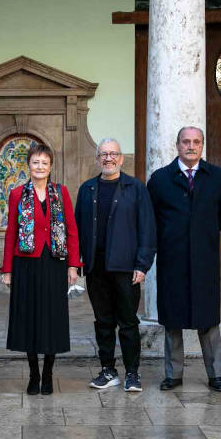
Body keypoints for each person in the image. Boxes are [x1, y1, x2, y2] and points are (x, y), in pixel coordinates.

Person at [147, 126, 221, 392]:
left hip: (205, 260)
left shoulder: (217, 177)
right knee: (173, 320)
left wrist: (200, 236)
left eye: (196, 142)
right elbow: (153, 220)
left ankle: (215, 374)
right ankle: (173, 375)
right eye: (186, 141)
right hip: (172, 259)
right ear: (177, 145)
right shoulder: (160, 179)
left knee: (208, 318)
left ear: (202, 145)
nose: (191, 146)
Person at [75, 138, 156, 392]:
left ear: (121, 159)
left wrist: (142, 265)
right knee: (103, 321)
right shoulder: (87, 189)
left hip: (125, 268)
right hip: (96, 268)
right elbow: (76, 229)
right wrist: (77, 264)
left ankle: (132, 373)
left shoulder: (135, 188)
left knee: (128, 322)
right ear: (97, 159)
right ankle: (108, 370)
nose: (108, 158)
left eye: (113, 154)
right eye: (103, 154)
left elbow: (147, 229)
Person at [1, 144, 81, 395]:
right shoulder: (16, 194)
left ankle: (48, 373)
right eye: (35, 162)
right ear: (29, 165)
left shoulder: (61, 192)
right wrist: (7, 269)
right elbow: (12, 232)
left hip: (55, 262)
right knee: (29, 318)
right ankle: (33, 374)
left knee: (52, 318)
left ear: (50, 166)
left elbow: (71, 229)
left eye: (44, 163)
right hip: (25, 262)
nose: (40, 167)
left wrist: (73, 264)